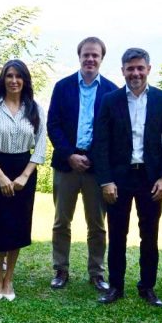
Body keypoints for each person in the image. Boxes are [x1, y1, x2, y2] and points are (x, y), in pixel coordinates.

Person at [91, 48, 162, 305]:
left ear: (148, 69)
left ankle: (147, 287)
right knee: (117, 235)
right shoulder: (110, 100)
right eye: (130, 69)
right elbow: (100, 143)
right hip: (118, 179)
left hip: (151, 179)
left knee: (149, 235)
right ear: (123, 71)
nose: (136, 73)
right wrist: (106, 180)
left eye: (140, 68)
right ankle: (115, 287)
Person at [46, 36, 118, 292]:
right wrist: (69, 155)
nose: (90, 59)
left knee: (97, 225)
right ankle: (61, 269)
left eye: (95, 55)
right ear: (79, 57)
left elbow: (112, 132)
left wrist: (92, 157)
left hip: (96, 168)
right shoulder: (62, 87)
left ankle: (96, 273)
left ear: (101, 58)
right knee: (61, 222)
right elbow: (53, 125)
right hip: (66, 164)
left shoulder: (112, 90)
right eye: (86, 54)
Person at [0, 59, 46, 301]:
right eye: (9, 76)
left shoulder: (35, 109)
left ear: (25, 80)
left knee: (18, 225)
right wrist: (0, 176)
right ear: (3, 79)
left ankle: (9, 279)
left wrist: (25, 176)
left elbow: (40, 146)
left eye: (19, 76)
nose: (14, 81)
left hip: (24, 171)